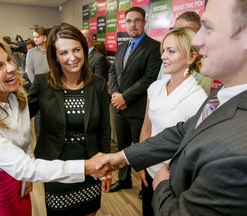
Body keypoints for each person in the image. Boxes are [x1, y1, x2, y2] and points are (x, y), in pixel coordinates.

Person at [96, 0, 247, 215]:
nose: (197, 39)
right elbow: (183, 132)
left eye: (209, 27)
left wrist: (161, 185)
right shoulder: (219, 97)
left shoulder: (239, 143)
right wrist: (123, 157)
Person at [0, 35, 110, 216]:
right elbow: (24, 167)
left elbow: (23, 146)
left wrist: (24, 178)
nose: (12, 68)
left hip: (20, 184)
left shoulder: (16, 98)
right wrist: (86, 167)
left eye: (9, 60)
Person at [28, 23, 111, 216]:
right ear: (55, 56)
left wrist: (105, 167)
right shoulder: (42, 83)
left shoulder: (98, 84)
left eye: (76, 50)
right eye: (63, 52)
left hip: (91, 166)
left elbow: (104, 128)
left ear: (84, 48)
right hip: (57, 168)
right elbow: (19, 119)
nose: (72, 58)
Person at [138, 28, 207, 216]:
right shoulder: (155, 87)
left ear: (192, 56)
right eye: (163, 50)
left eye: (171, 51)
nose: (163, 57)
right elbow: (147, 127)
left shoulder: (198, 100)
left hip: (173, 182)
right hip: (149, 171)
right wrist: (141, 163)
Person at [108, 6, 162, 192]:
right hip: (119, 109)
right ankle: (124, 180)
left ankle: (144, 186)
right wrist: (115, 95)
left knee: (141, 150)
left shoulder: (154, 47)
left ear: (144, 22)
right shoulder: (122, 46)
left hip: (139, 111)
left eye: (137, 20)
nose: (133, 24)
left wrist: (125, 97)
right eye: (129, 21)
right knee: (122, 148)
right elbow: (112, 71)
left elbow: (149, 78)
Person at [157, 11, 213, 94]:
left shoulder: (205, 67)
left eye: (185, 32)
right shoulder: (166, 58)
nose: (178, 35)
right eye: (176, 30)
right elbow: (158, 89)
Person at [26, 26, 50, 139]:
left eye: (37, 36)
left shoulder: (53, 51)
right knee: (38, 115)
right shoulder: (31, 53)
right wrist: (37, 85)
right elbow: (29, 70)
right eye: (34, 36)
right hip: (38, 88)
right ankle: (39, 138)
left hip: (53, 86)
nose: (34, 39)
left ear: (45, 38)